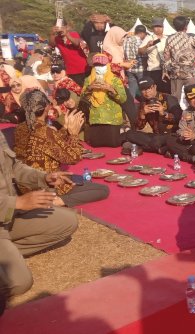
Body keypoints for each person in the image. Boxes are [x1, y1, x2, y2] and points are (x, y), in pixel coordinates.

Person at [0, 132, 79, 316]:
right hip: (9, 209)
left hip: (9, 216)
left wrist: (43, 178)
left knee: (67, 222)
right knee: (20, 282)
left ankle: (7, 250)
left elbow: (15, 167)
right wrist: (17, 203)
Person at [13, 89, 109, 207]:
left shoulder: (20, 128)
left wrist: (65, 128)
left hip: (24, 184)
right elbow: (73, 158)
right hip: (47, 185)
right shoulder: (44, 131)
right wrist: (74, 134)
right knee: (102, 189)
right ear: (47, 107)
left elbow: (51, 143)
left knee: (79, 179)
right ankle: (57, 201)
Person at [123, 77, 182, 155]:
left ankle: (140, 147)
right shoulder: (143, 102)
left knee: (157, 141)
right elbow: (138, 127)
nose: (147, 92)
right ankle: (161, 149)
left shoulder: (169, 98)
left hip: (171, 136)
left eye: (149, 88)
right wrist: (142, 114)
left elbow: (179, 119)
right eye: (143, 90)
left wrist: (164, 113)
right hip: (156, 136)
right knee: (129, 134)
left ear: (155, 87)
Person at [81, 53, 127, 148]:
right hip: (96, 119)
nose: (99, 67)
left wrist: (111, 90)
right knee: (96, 147)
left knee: (113, 146)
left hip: (112, 119)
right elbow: (82, 98)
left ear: (107, 65)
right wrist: (89, 88)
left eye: (102, 65)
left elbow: (123, 99)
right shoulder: (88, 80)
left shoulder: (115, 80)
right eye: (97, 65)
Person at [163, 16, 195, 98]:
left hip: (175, 74)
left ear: (174, 26)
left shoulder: (169, 39)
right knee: (194, 97)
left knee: (175, 99)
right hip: (190, 74)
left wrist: (164, 71)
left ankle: (175, 111)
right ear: (186, 26)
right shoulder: (190, 38)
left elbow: (166, 57)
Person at [49, 20, 88, 86]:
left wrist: (67, 34)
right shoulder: (57, 38)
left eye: (62, 27)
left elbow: (77, 43)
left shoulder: (73, 34)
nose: (60, 29)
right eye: (57, 27)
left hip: (83, 69)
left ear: (67, 27)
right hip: (70, 71)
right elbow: (52, 44)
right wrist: (52, 33)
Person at [142, 18, 169, 94]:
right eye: (156, 26)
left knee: (167, 92)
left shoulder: (167, 38)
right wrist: (147, 45)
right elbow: (140, 51)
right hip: (154, 70)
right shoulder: (149, 38)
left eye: (160, 26)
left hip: (167, 69)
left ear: (163, 27)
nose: (158, 29)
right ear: (152, 28)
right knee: (155, 93)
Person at [123, 25, 148, 99]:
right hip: (139, 68)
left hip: (129, 68)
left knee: (132, 87)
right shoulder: (139, 41)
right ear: (142, 33)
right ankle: (143, 103)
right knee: (144, 87)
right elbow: (143, 54)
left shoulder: (126, 40)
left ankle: (132, 103)